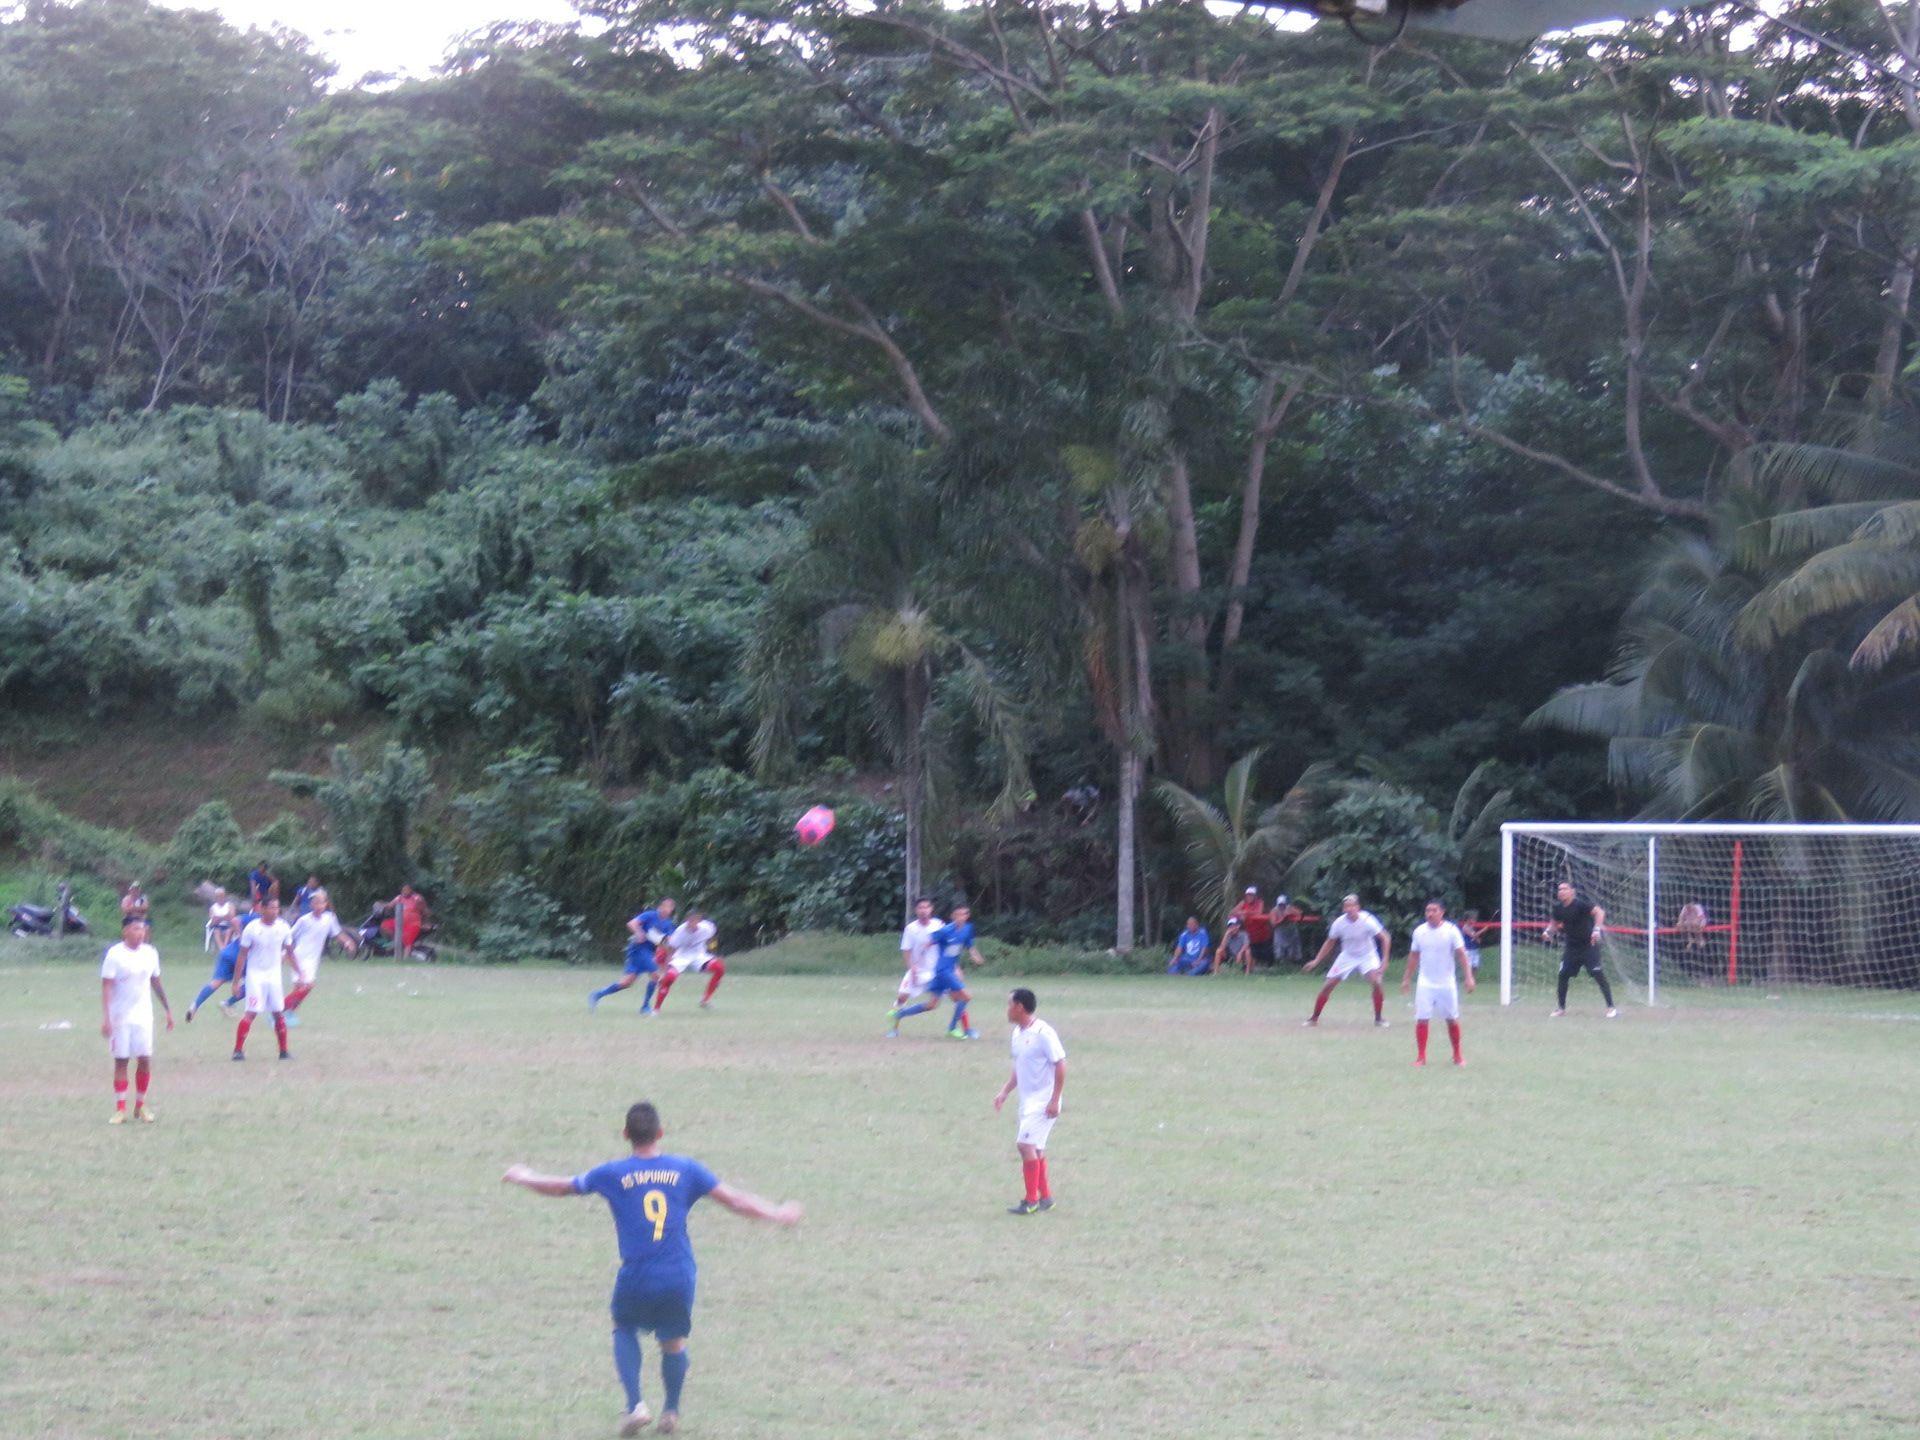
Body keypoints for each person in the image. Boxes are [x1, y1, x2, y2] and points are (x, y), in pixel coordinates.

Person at [502, 1101, 802, 1437]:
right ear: (660, 1133)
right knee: (673, 1342)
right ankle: (670, 1410)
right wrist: (777, 1213)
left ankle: (637, 1406)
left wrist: (524, 1176)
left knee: (624, 1327)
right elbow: (735, 1201)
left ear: (625, 1134)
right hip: (678, 1273)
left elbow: (561, 1187)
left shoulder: (612, 1174)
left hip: (637, 1273)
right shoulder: (686, 1169)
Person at [993, 988, 1066, 1215]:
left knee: (1025, 1146)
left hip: (1043, 1101)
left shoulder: (1043, 1033)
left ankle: (1031, 1200)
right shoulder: (1017, 1033)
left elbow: (1060, 1064)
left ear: (1019, 1007)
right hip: (1028, 1101)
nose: (1007, 1009)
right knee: (1035, 1148)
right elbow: (1020, 1066)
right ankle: (1046, 1198)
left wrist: (1054, 1100)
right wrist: (1005, 1091)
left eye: (1009, 1004)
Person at [100, 916, 171, 1123]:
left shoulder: (150, 953)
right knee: (121, 1060)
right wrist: (107, 1017)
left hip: (143, 1015)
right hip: (120, 1016)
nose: (140, 933)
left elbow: (156, 982)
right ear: (125, 931)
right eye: (136, 929)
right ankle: (120, 1109)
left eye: (142, 929)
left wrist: (167, 1009)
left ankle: (141, 1106)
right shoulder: (115, 954)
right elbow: (106, 987)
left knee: (145, 1059)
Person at [1401, 900, 1475, 1066]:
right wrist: (1406, 978)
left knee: (1451, 1018)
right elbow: (1414, 955)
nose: (1430, 913)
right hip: (1425, 982)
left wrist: (1469, 977)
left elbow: (1462, 954)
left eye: (1434, 910)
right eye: (1428, 910)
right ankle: (1421, 1057)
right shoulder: (1419, 931)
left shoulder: (1451, 930)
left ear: (1442, 912)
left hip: (1446, 982)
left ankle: (1457, 1055)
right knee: (1422, 1018)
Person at [1302, 894, 1391, 1027]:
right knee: (1328, 985)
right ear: (1343, 909)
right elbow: (1330, 942)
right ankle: (1314, 1018)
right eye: (1346, 906)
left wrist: (1385, 959)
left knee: (1377, 983)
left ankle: (1379, 1019)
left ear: (1358, 907)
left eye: (1352, 906)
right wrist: (1316, 961)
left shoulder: (1367, 920)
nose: (1349, 909)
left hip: (1367, 955)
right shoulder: (1339, 923)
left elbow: (1385, 937)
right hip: (1347, 955)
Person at [231, 896, 295, 1061]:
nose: (275, 911)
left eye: (277, 908)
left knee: (278, 1013)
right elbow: (242, 956)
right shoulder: (252, 929)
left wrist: (299, 972)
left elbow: (290, 951)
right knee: (251, 1012)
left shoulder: (283, 927)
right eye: (272, 908)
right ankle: (237, 1050)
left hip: (274, 976)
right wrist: (236, 983)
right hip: (255, 976)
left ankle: (284, 1051)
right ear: (262, 909)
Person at [590, 898, 678, 1013]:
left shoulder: (668, 924)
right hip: (638, 949)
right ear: (660, 907)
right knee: (655, 975)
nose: (666, 909)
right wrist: (639, 933)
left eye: (669, 907)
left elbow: (667, 942)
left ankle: (597, 994)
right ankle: (645, 1007)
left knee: (626, 983)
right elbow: (632, 923)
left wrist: (670, 952)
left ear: (672, 909)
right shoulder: (650, 915)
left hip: (647, 952)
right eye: (664, 906)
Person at [1545, 880, 1615, 1017]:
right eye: (1560, 889)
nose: (1561, 892)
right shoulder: (1558, 909)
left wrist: (1596, 929)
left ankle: (1611, 1007)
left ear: (1572, 892)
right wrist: (1548, 932)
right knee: (1563, 974)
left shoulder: (1581, 905)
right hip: (1572, 947)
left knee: (1597, 973)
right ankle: (1561, 1008)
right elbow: (1553, 924)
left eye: (1565, 889)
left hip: (1589, 945)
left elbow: (1599, 912)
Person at [285, 888, 355, 1021]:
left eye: (321, 903)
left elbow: (337, 933)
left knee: (302, 987)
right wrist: (285, 953)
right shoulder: (304, 920)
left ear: (326, 904)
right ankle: (281, 1012)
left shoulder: (329, 918)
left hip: (313, 958)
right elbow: (289, 936)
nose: (319, 906)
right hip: (300, 956)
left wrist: (347, 942)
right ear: (311, 905)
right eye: (316, 903)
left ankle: (287, 1013)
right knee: (306, 985)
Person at [925, 904, 985, 1039]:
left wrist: (974, 955)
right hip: (943, 970)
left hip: (950, 969)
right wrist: (920, 960)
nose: (960, 917)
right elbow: (928, 943)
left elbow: (970, 945)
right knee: (965, 997)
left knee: (931, 1004)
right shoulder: (945, 931)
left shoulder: (968, 928)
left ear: (967, 916)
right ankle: (952, 1029)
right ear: (952, 916)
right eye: (957, 914)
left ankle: (897, 1015)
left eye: (963, 914)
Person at [886, 898, 943, 1037]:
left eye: (926, 907)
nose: (924, 910)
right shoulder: (911, 929)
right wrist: (912, 968)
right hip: (917, 970)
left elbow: (946, 947)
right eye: (921, 907)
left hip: (935, 971)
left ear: (931, 909)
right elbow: (906, 951)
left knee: (946, 1000)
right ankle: (893, 1029)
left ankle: (965, 1030)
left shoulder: (939, 925)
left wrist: (952, 967)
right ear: (916, 910)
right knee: (901, 997)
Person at [187, 900, 251, 1023]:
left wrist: (237, 935)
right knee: (254, 981)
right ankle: (228, 1003)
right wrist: (241, 937)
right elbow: (235, 920)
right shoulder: (257, 918)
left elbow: (232, 927)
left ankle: (194, 1005)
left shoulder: (255, 919)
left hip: (227, 951)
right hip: (240, 954)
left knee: (216, 982)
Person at [652, 910, 725, 1011]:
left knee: (719, 968)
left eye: (694, 921)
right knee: (670, 977)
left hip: (699, 955)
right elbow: (671, 949)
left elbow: (711, 939)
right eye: (690, 921)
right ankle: (656, 1009)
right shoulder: (680, 931)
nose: (692, 924)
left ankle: (705, 1000)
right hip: (681, 956)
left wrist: (713, 954)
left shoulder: (707, 927)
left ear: (699, 921)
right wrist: (665, 969)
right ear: (686, 920)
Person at [1229, 888, 1275, 966]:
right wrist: (1241, 914)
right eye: (1248, 895)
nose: (1249, 897)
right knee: (1253, 955)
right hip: (1251, 935)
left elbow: (1259, 912)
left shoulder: (1260, 902)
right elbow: (1232, 912)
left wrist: (1246, 912)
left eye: (1251, 895)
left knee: (1267, 955)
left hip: (1262, 933)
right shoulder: (1243, 902)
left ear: (1255, 896)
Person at [390, 883, 430, 960]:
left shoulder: (417, 899)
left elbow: (426, 911)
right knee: (385, 926)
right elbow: (390, 905)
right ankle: (394, 945)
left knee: (408, 940)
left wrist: (426, 923)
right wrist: (380, 904)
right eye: (403, 890)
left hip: (413, 924)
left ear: (411, 890)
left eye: (407, 889)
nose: (405, 891)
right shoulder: (399, 898)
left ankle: (405, 959)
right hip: (400, 924)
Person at [1272, 894, 1304, 965]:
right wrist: (1283, 919)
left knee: (1294, 950)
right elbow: (1273, 923)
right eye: (1280, 904)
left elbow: (1300, 913)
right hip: (1280, 934)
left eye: (1283, 904)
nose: (1281, 906)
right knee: (1279, 951)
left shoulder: (1290, 908)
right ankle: (1280, 965)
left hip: (1291, 933)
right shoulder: (1274, 910)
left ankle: (1293, 964)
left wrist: (1291, 912)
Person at [207, 887, 239, 951]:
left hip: (229, 925)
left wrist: (219, 918)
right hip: (217, 926)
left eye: (222, 896)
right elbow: (213, 920)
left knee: (229, 931)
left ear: (225, 897)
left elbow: (232, 916)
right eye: (218, 896)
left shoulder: (230, 905)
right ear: (216, 898)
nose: (220, 898)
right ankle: (222, 949)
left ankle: (224, 948)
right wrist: (226, 917)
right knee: (216, 932)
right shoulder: (213, 908)